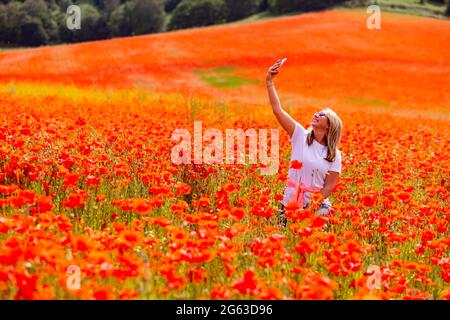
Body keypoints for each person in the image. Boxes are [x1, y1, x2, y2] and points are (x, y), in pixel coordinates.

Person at [266, 58, 343, 228]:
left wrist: (310, 209)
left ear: (330, 125)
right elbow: (277, 110)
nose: (317, 113)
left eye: (322, 114)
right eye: (318, 111)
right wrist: (269, 82)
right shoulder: (300, 135)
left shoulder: (334, 155)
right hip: (290, 202)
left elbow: (329, 187)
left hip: (315, 209)